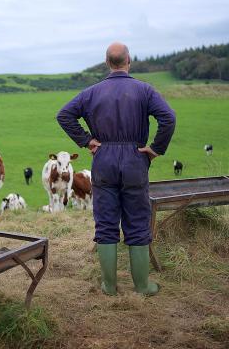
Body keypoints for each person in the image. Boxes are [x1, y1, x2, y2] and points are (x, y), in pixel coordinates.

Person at [57, 42, 176, 295]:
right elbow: (168, 118)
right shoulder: (144, 90)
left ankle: (109, 286)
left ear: (107, 62)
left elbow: (64, 115)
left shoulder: (91, 92)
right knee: (138, 221)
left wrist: (87, 140)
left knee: (106, 222)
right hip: (135, 158)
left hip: (104, 159)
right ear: (128, 61)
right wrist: (155, 149)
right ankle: (142, 286)